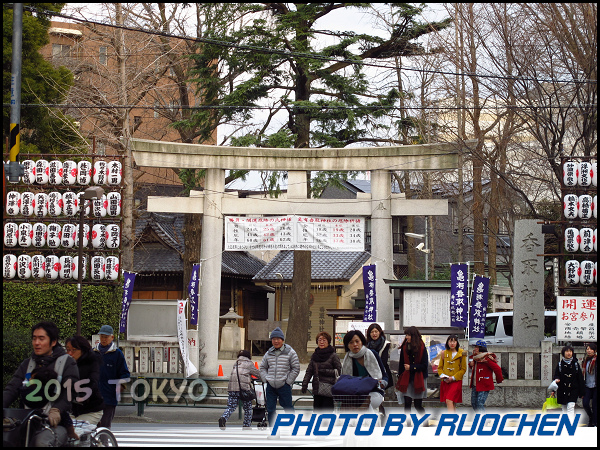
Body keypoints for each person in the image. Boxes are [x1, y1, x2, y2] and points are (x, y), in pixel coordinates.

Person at [3, 321, 79, 446]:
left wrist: (57, 410)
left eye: (41, 338)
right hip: (27, 421)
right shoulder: (27, 364)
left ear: (53, 342)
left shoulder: (67, 363)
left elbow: (69, 391)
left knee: (41, 442)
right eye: (34, 338)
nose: (36, 343)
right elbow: (12, 389)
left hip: (55, 424)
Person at [19, 366, 80, 441]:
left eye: (32, 379)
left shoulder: (24, 396)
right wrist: (71, 433)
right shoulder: (53, 398)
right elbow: (66, 418)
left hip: (33, 431)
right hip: (41, 430)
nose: (29, 380)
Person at [259, 327, 300, 427]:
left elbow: (296, 368)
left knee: (288, 408)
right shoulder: (268, 353)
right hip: (271, 386)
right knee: (270, 409)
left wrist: (288, 381)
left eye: (278, 339)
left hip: (284, 385)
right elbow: (262, 367)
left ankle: (293, 428)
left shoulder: (290, 352)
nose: (276, 341)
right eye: (273, 339)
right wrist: (266, 379)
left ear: (282, 340)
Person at [340, 330, 388, 412]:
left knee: (365, 404)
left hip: (374, 392)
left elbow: (385, 376)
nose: (355, 345)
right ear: (347, 345)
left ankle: (369, 423)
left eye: (357, 341)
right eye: (351, 342)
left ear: (362, 342)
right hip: (355, 394)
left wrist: (381, 383)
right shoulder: (348, 359)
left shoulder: (372, 354)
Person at [93, 325, 130, 429]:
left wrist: (119, 388)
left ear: (112, 337)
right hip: (93, 397)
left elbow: (124, 373)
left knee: (105, 425)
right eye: (101, 337)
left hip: (109, 397)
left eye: (106, 337)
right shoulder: (93, 352)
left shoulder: (117, 354)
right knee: (92, 425)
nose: (103, 339)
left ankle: (104, 444)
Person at [65, 335, 105, 425]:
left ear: (82, 350)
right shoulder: (66, 364)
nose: (70, 353)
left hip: (91, 410)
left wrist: (82, 396)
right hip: (71, 409)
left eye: (73, 350)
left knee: (77, 431)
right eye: (67, 350)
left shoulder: (92, 362)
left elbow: (93, 382)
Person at [219, 350, 261, 430]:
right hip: (244, 389)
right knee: (248, 408)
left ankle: (223, 418)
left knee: (231, 406)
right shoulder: (249, 364)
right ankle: (246, 425)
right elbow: (258, 374)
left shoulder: (236, 364)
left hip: (232, 388)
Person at [301, 331, 342, 412]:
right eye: (319, 340)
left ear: (328, 342)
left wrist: (325, 371)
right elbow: (309, 371)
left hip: (329, 389)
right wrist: (305, 383)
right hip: (317, 389)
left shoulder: (333, 356)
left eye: (324, 340)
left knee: (327, 413)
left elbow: (339, 371)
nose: (322, 342)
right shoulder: (314, 355)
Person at [396, 326, 429, 416]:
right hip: (407, 378)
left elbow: (425, 366)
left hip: (419, 378)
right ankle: (408, 424)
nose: (406, 337)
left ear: (414, 336)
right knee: (407, 404)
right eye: (406, 335)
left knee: (418, 405)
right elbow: (401, 363)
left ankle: (425, 422)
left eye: (408, 335)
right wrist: (400, 376)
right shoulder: (404, 347)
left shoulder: (422, 347)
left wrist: (412, 367)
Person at [469, 339, 503, 413]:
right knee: (474, 403)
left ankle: (483, 420)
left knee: (479, 404)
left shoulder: (487, 358)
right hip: (476, 384)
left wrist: (499, 380)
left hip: (484, 384)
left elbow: (497, 369)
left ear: (482, 348)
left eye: (477, 347)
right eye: (475, 347)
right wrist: (470, 365)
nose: (475, 349)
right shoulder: (476, 357)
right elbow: (474, 367)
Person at [554, 344, 584, 420]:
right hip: (562, 389)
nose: (569, 353)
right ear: (563, 353)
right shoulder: (560, 364)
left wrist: (582, 392)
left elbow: (580, 378)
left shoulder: (576, 364)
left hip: (573, 389)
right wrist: (557, 379)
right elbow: (556, 375)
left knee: (570, 406)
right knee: (564, 408)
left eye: (570, 351)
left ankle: (570, 424)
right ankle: (565, 423)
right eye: (567, 351)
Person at [437, 334, 467, 412]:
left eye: (454, 341)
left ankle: (451, 420)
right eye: (450, 341)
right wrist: (443, 376)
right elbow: (440, 368)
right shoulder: (444, 353)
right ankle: (454, 420)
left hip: (456, 380)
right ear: (447, 343)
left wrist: (453, 378)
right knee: (451, 402)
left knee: (449, 400)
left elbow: (463, 369)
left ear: (457, 343)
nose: (452, 343)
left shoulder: (462, 353)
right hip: (446, 381)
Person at [366, 324, 393, 394]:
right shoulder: (366, 344)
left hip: (382, 371)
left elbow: (384, 360)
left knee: (380, 392)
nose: (374, 334)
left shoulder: (385, 344)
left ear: (380, 332)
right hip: (368, 371)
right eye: (372, 332)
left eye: (376, 331)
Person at [581, 343, 597, 427]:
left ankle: (594, 422)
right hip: (587, 385)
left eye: (591, 349)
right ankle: (591, 417)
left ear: (595, 350)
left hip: (595, 386)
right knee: (585, 403)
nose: (589, 351)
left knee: (595, 406)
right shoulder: (585, 360)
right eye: (587, 349)